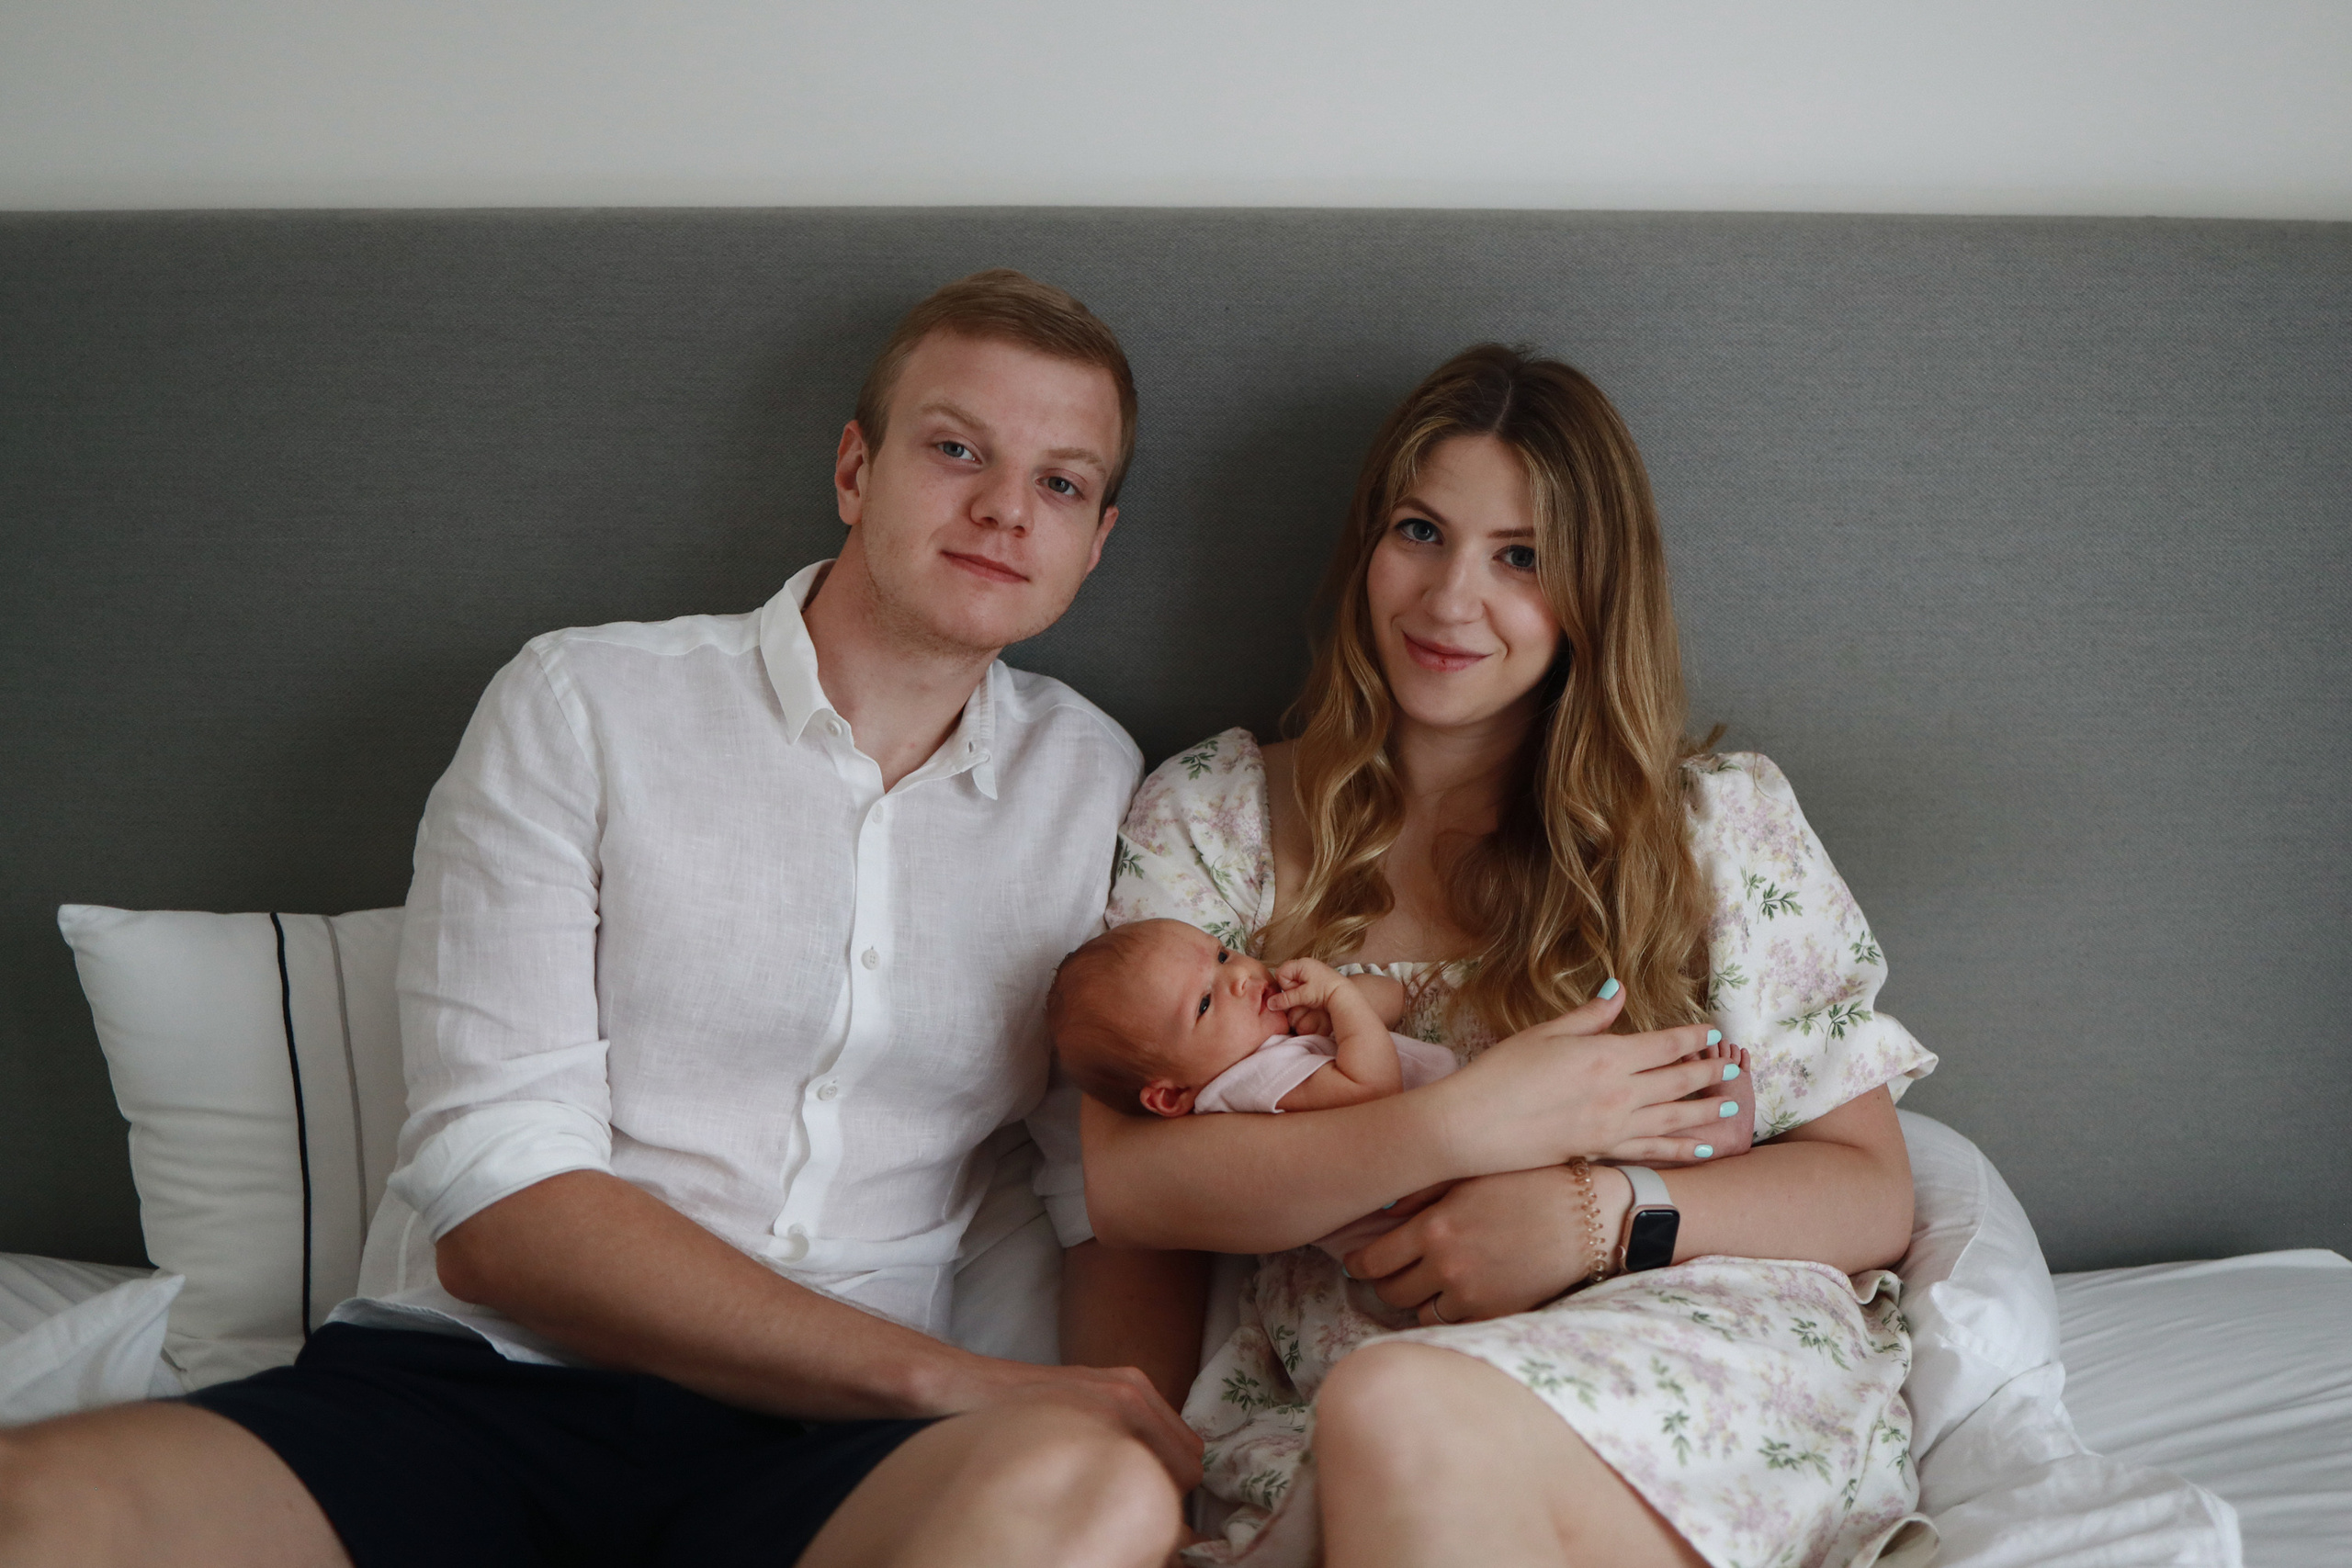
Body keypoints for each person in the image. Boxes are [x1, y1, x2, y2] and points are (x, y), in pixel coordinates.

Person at [0, 269, 1214, 1568]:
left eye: (1062, 484)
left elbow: (1101, 1192)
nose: (1003, 511)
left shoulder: (1092, 780)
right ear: (856, 470)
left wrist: (1119, 1419)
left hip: (852, 1473)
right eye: (957, 449)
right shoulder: (583, 702)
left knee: (1101, 1500)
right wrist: (941, 1378)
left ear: (1096, 539)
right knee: (36, 1508)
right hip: (486, 1396)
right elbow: (500, 1204)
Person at [1083, 344, 1939, 1567]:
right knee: (1384, 1412)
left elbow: (1870, 1191)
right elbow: (1134, 1191)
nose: (1449, 599)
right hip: (1352, 1397)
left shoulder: (1710, 827)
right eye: (1420, 532)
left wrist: (1591, 1216)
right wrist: (1463, 1127)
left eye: (1520, 558)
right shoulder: (1214, 817)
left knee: (1401, 1409)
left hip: (1686, 1359)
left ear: (1594, 592)